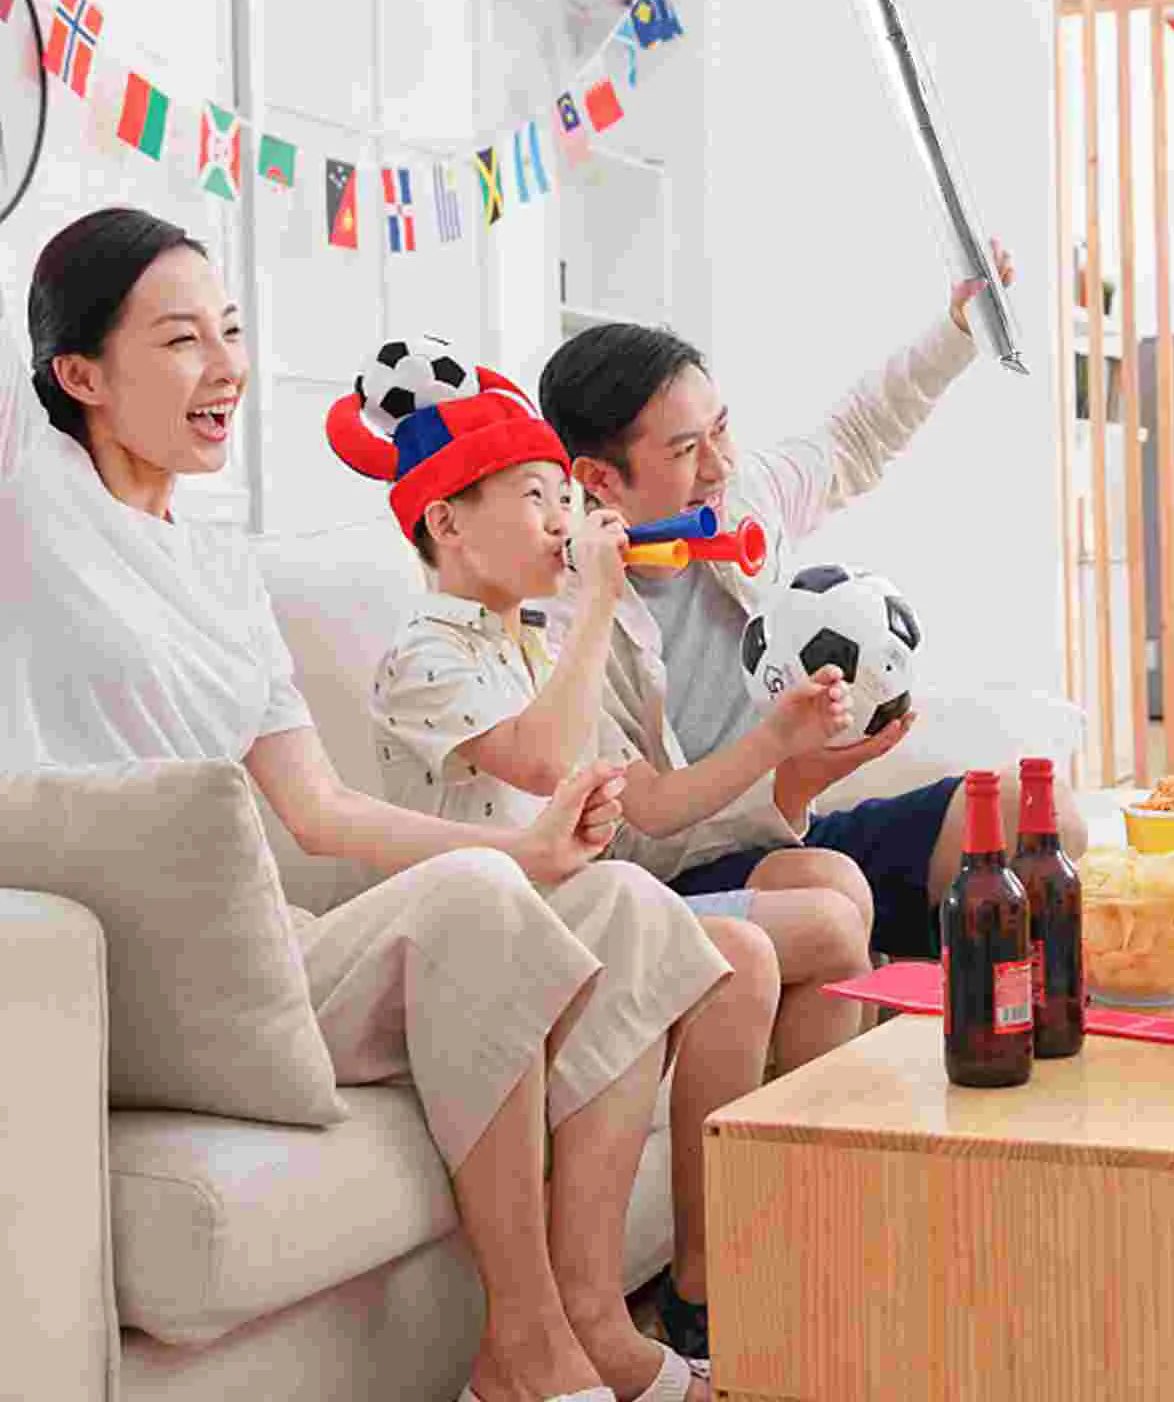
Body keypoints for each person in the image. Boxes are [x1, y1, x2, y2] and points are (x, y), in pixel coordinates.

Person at [0, 207, 723, 1402]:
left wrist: (532, 848)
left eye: (231, 331)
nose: (225, 366)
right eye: (180, 339)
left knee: (627, 908)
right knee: (476, 898)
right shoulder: (29, 511)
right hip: (133, 983)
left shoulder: (222, 573)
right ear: (78, 375)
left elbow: (321, 808)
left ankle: (592, 1318)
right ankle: (522, 1345)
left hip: (265, 954)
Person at [326, 356, 872, 1359]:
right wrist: (591, 607)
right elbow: (540, 761)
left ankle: (757, 1270)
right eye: (535, 498)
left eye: (561, 498)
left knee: (781, 939)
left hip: (582, 911)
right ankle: (705, 1293)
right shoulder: (427, 653)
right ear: (447, 524)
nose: (559, 521)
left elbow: (630, 801)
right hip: (486, 946)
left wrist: (777, 748)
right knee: (754, 951)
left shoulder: (534, 645)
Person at [537, 243, 1089, 961]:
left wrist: (957, 331)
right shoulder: (564, 617)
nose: (719, 465)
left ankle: (1006, 1011)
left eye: (721, 429)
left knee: (1042, 815)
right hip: (685, 871)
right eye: (685, 451)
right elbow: (646, 820)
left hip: (794, 826)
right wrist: (785, 759)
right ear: (599, 479)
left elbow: (855, 437)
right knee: (829, 889)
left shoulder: (743, 501)